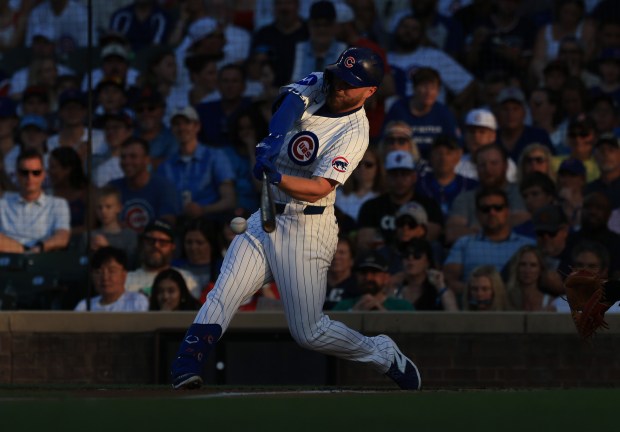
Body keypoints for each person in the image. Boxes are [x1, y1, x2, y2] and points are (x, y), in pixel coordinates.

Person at [170, 47, 421, 391]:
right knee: (224, 291)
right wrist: (273, 140)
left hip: (308, 226)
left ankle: (382, 353)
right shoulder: (323, 81)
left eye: (350, 84)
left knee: (309, 332)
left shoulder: (355, 133)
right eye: (339, 77)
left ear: (370, 92)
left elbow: (318, 188)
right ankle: (188, 360)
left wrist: (276, 176)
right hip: (269, 212)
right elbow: (289, 101)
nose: (339, 86)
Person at [443, 188, 535, 295]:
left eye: (498, 208)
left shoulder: (528, 245)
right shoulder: (464, 243)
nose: (492, 213)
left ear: (507, 211)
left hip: (516, 307)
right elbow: (449, 280)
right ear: (477, 214)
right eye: (485, 209)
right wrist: (480, 293)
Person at [158, 106, 236, 220]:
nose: (182, 128)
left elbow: (230, 200)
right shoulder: (165, 166)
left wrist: (203, 210)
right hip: (178, 224)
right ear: (172, 129)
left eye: (187, 123)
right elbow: (162, 201)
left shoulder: (216, 156)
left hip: (210, 222)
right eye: (177, 124)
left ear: (197, 126)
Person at [357, 150, 443, 251]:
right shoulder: (371, 207)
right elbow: (365, 242)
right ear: (386, 177)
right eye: (394, 174)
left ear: (414, 177)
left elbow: (433, 234)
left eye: (404, 174)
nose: (399, 180)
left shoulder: (429, 204)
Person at [0, 148, 70, 253]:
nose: (30, 177)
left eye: (36, 172)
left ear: (43, 174)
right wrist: (25, 251)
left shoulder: (58, 203)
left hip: (44, 260)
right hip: (7, 260)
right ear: (17, 174)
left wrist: (39, 248)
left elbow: (62, 237)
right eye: (24, 172)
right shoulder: (3, 201)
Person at [383, 67, 459, 159]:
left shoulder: (444, 113)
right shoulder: (398, 108)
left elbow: (456, 145)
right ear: (414, 88)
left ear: (438, 91)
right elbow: (384, 140)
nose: (428, 92)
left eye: (433, 88)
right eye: (424, 86)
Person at [109, 136, 180, 232]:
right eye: (123, 157)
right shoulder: (113, 188)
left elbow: (167, 225)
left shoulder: (164, 188)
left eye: (133, 156)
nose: (127, 161)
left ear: (147, 160)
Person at [125, 219, 199, 298]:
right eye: (150, 241)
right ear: (142, 243)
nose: (156, 245)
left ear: (173, 246)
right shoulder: (125, 280)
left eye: (163, 242)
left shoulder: (187, 280)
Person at [332, 249, 413, 311]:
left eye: (374, 273)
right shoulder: (343, 306)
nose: (368, 278)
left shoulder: (403, 307)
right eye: (363, 273)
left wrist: (382, 313)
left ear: (386, 277)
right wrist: (353, 313)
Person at [74, 246, 149, 312]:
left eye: (112, 271)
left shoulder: (137, 301)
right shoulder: (84, 306)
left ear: (124, 275)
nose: (105, 277)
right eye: (98, 272)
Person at [393, 238, 459, 311]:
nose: (410, 258)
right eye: (406, 255)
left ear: (427, 262)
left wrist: (440, 286)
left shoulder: (437, 290)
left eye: (417, 255)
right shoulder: (396, 289)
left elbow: (453, 313)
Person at [79, 185, 138, 263]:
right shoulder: (88, 236)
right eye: (99, 207)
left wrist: (107, 249)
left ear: (119, 208)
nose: (103, 211)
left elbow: (132, 264)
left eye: (108, 207)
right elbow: (81, 263)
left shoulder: (130, 236)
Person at [47, 146, 93, 237]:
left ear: (68, 169)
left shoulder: (88, 192)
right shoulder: (47, 193)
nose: (49, 171)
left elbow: (89, 227)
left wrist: (60, 235)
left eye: (53, 167)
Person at [172, 218, 223, 295]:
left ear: (212, 245)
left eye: (199, 243)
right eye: (189, 242)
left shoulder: (223, 268)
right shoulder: (174, 267)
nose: (193, 247)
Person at [335, 146, 384, 223]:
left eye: (368, 165)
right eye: (357, 164)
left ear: (378, 168)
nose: (362, 168)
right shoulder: (337, 195)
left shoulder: (384, 196)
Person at [505, 245, 557, 311]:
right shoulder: (505, 298)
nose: (527, 270)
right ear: (516, 267)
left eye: (533, 265)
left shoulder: (550, 302)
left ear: (540, 269)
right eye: (523, 264)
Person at [324, 235, 358, 310]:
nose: (336, 257)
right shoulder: (313, 286)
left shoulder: (358, 287)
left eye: (342, 253)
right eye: (331, 252)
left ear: (352, 260)